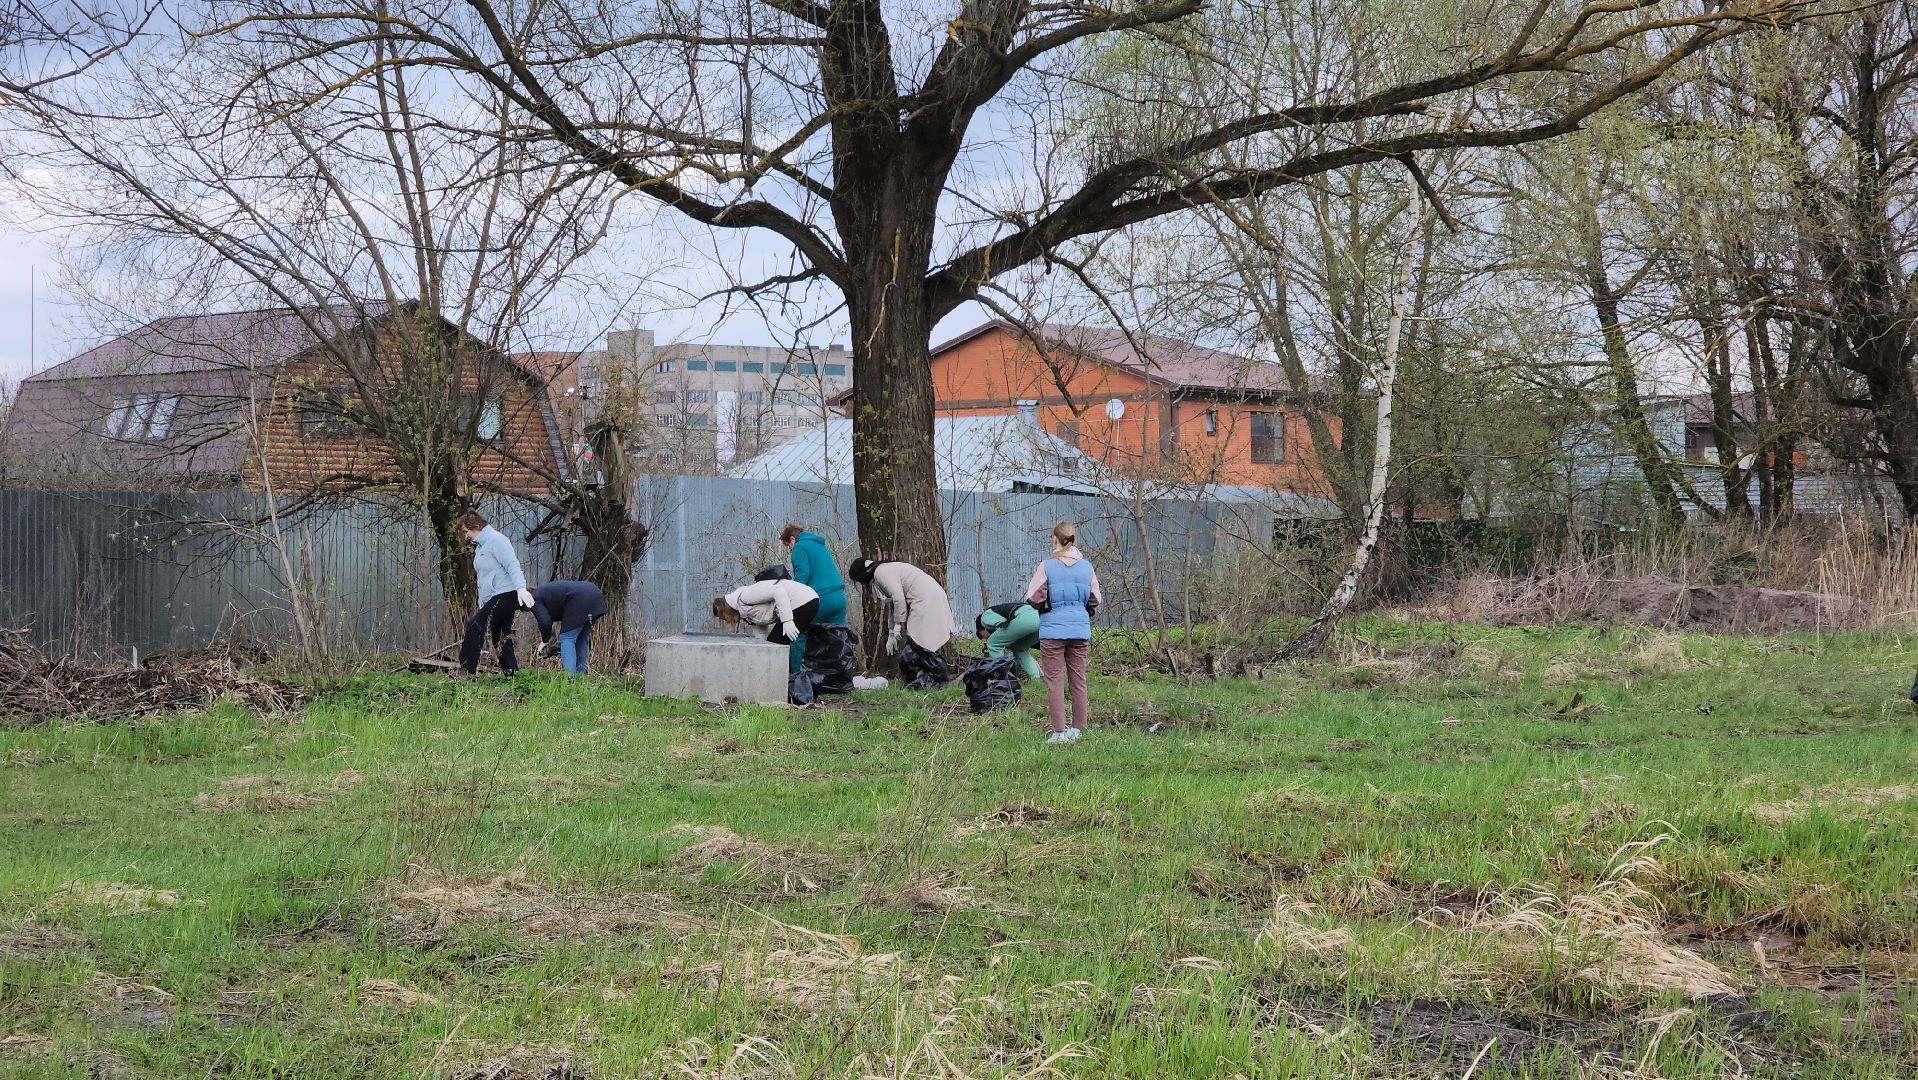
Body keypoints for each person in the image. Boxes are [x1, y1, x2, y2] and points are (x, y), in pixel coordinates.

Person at [1025, 522, 1102, 744]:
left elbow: (1032, 596)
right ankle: (1078, 728)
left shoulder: (1047, 566)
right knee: (1078, 679)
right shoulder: (1087, 567)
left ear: (1054, 540)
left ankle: (1059, 731)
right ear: (1074, 540)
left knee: (1055, 681)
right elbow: (1095, 599)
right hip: (1080, 629)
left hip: (1052, 631)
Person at [456, 510, 531, 679]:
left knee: (475, 625)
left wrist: (521, 588)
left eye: (465, 532)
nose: (466, 536)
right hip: (497, 595)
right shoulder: (482, 546)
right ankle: (511, 672)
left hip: (506, 593)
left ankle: (466, 671)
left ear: (475, 526)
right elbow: (486, 577)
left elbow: (512, 565)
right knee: (500, 633)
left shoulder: (497, 540)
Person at [847, 557, 953, 656]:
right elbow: (894, 603)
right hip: (928, 596)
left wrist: (898, 624)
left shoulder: (880, 573)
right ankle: (925, 672)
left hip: (925, 598)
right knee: (919, 644)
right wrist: (891, 632)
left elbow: (898, 598)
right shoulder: (882, 571)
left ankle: (926, 673)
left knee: (919, 643)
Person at [781, 524, 847, 673]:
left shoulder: (799, 547)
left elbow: (802, 576)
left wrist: (791, 603)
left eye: (788, 545)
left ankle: (796, 679)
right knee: (835, 640)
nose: (790, 549)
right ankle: (836, 680)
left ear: (792, 539)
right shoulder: (820, 545)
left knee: (798, 636)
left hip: (821, 598)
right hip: (839, 597)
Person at [529, 580, 609, 674]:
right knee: (581, 638)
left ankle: (569, 677)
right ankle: (580, 675)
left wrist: (545, 641)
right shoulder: (543, 593)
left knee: (567, 639)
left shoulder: (533, 598)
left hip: (579, 599)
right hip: (595, 594)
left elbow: (545, 622)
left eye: (526, 610)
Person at [715, 577, 822, 645]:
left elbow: (778, 591)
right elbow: (761, 632)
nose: (726, 620)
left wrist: (787, 621)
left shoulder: (745, 596)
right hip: (807, 602)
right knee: (773, 645)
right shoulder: (745, 612)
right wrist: (760, 649)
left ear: (726, 610)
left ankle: (779, 678)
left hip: (802, 601)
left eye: (723, 617)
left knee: (775, 645)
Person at [975, 601, 1042, 680]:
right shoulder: (1000, 610)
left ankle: (1005, 680)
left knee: (993, 644)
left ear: (980, 629)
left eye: (983, 636)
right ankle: (1036, 679)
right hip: (1041, 619)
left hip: (1024, 618)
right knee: (1019, 649)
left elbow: (1003, 623)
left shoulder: (984, 617)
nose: (986, 639)